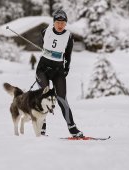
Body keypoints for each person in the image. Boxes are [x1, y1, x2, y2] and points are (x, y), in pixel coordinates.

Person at [36, 9, 83, 137]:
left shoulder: (69, 36)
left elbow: (68, 55)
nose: (60, 25)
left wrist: (66, 68)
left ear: (66, 24)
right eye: (58, 22)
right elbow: (45, 41)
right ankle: (42, 126)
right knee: (44, 96)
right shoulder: (46, 31)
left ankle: (72, 128)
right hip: (43, 69)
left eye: (63, 22)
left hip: (58, 71)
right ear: (53, 23)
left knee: (62, 99)